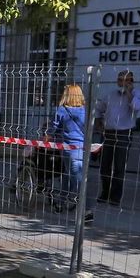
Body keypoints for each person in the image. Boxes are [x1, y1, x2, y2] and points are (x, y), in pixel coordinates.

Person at [94, 70, 140, 207]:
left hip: (124, 134)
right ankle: (105, 193)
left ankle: (115, 196)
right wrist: (98, 121)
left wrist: (129, 93)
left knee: (119, 167)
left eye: (125, 80)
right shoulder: (110, 94)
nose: (122, 82)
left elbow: (136, 107)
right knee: (104, 165)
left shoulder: (137, 94)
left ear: (131, 82)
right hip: (108, 133)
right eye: (120, 79)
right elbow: (98, 108)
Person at [48, 84, 91, 222]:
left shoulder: (62, 110)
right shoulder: (86, 111)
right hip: (83, 147)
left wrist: (46, 137)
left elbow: (54, 127)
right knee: (68, 175)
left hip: (69, 148)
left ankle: (87, 210)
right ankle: (60, 203)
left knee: (77, 179)